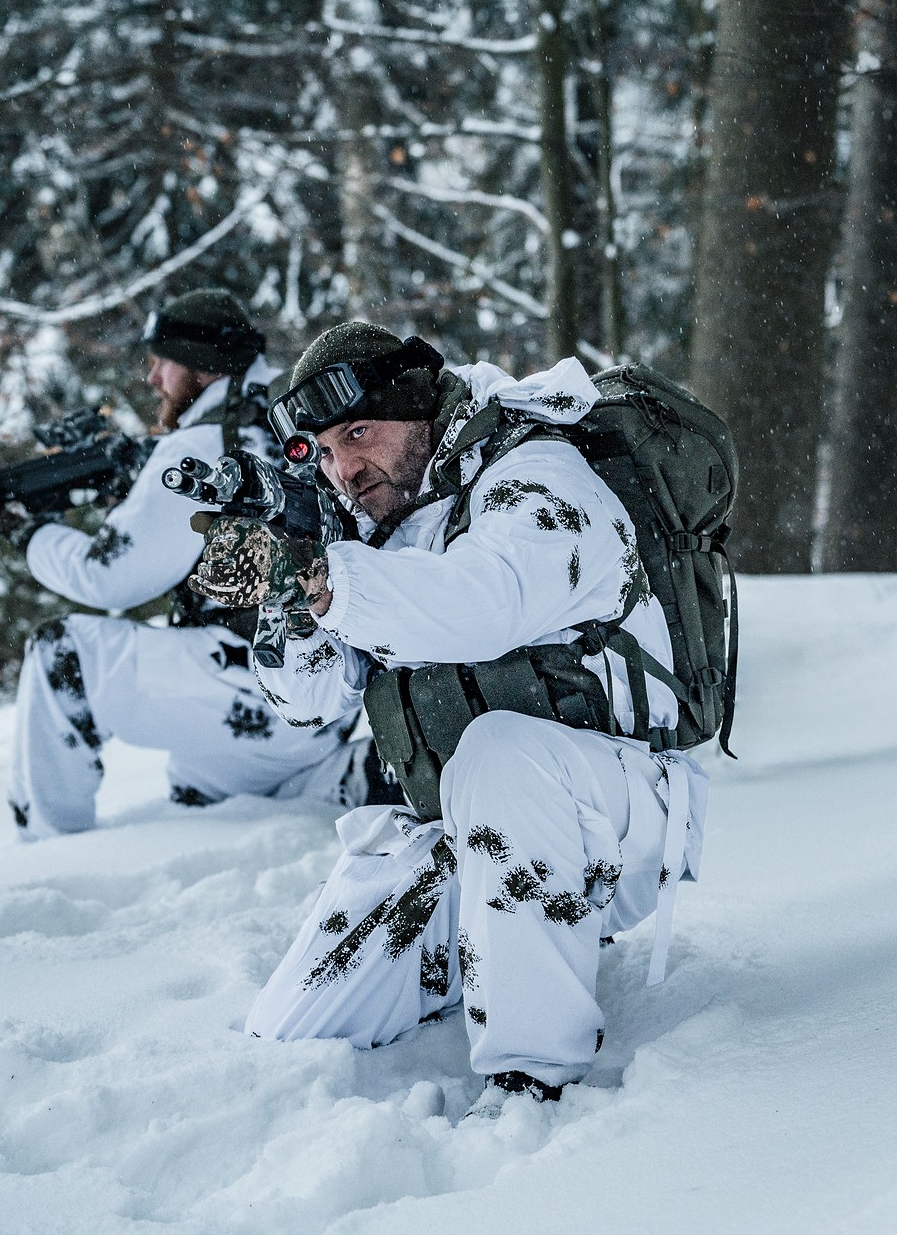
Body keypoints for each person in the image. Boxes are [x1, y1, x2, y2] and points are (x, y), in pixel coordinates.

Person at [186, 322, 709, 1105]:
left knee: (501, 752)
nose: (345, 468)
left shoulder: (537, 473)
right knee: (296, 1035)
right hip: (469, 834)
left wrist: (328, 578)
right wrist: (288, 592)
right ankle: (495, 953)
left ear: (420, 408)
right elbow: (310, 700)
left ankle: (535, 1075)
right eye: (325, 451)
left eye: (359, 433)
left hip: (624, 815)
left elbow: (485, 605)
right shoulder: (377, 524)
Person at [0, 290, 358, 837]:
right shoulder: (290, 416)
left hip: (263, 685)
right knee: (199, 788)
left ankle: (49, 849)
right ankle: (346, 782)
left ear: (205, 367)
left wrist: (29, 536)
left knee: (63, 654)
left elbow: (107, 575)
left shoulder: (203, 443)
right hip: (325, 694)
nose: (153, 379)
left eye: (163, 362)